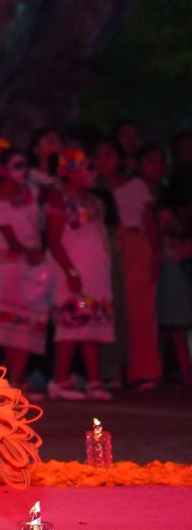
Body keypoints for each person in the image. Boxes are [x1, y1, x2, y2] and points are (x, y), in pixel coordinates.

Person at [0, 144, 53, 391]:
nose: (22, 172)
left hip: (31, 267)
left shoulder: (32, 194)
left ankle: (17, 378)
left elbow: (52, 187)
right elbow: (9, 237)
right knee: (9, 325)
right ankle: (14, 378)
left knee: (25, 324)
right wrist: (28, 252)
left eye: (25, 166)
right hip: (9, 267)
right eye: (16, 166)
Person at [46, 149, 115, 401]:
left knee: (91, 323)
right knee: (73, 322)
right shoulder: (59, 200)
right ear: (70, 172)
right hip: (74, 277)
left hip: (95, 277)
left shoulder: (95, 202)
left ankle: (94, 380)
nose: (94, 174)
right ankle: (60, 379)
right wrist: (71, 271)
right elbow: (54, 240)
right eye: (89, 168)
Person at [99, 139, 161, 390]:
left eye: (109, 154)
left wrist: (156, 256)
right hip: (104, 247)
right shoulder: (92, 187)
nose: (103, 161)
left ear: (121, 159)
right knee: (106, 308)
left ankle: (144, 371)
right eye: (98, 155)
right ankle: (109, 370)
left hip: (136, 246)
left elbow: (149, 222)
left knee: (140, 310)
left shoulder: (137, 186)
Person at [142, 145, 192, 386]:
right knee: (150, 321)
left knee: (176, 325)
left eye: (162, 161)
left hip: (172, 265)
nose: (158, 167)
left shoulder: (169, 196)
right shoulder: (133, 191)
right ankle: (152, 373)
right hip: (142, 262)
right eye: (152, 160)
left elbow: (180, 232)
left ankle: (183, 375)